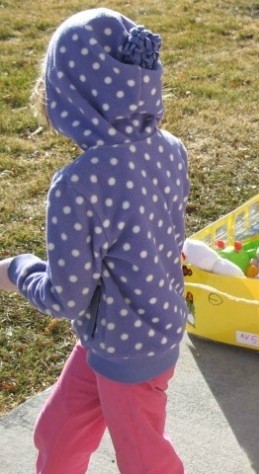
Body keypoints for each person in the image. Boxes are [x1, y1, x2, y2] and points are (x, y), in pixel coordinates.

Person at [0, 7, 189, 473]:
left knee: (145, 459)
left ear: (73, 97)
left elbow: (66, 297)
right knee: (59, 431)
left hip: (129, 351)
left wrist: (16, 270)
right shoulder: (169, 149)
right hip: (118, 334)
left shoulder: (79, 185)